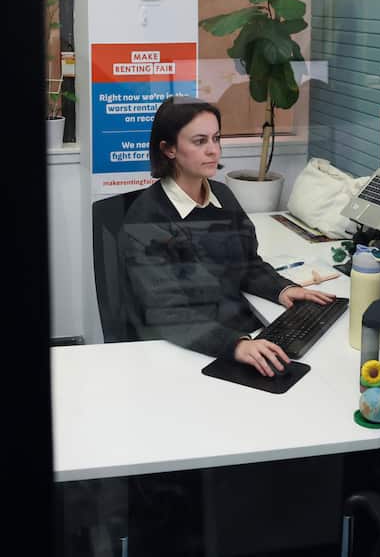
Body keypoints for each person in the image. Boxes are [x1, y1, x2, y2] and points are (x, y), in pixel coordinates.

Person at [119, 96, 335, 377]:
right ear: (169, 149)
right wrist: (235, 345)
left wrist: (281, 288)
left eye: (216, 138)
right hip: (180, 352)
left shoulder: (222, 196)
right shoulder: (146, 219)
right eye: (199, 142)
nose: (213, 151)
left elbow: (247, 264)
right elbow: (167, 314)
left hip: (228, 330)